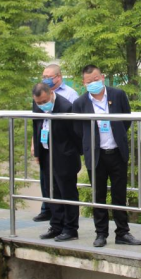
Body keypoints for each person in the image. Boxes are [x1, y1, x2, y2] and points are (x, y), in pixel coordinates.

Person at [73, 65, 141, 248]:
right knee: (98, 195)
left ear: (102, 77)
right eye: (89, 81)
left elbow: (126, 119)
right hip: (96, 155)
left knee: (120, 194)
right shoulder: (80, 103)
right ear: (84, 83)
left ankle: (123, 232)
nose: (93, 83)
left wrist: (117, 134)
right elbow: (78, 130)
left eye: (96, 79)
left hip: (117, 152)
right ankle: (101, 233)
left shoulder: (117, 95)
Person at [32, 82, 82, 242]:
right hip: (46, 153)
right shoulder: (37, 105)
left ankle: (71, 229)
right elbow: (36, 126)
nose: (41, 105)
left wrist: (73, 154)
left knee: (67, 193)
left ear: (51, 94)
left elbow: (75, 134)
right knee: (51, 191)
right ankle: (56, 226)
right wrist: (38, 151)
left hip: (64, 156)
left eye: (44, 101)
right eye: (38, 103)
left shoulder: (66, 107)